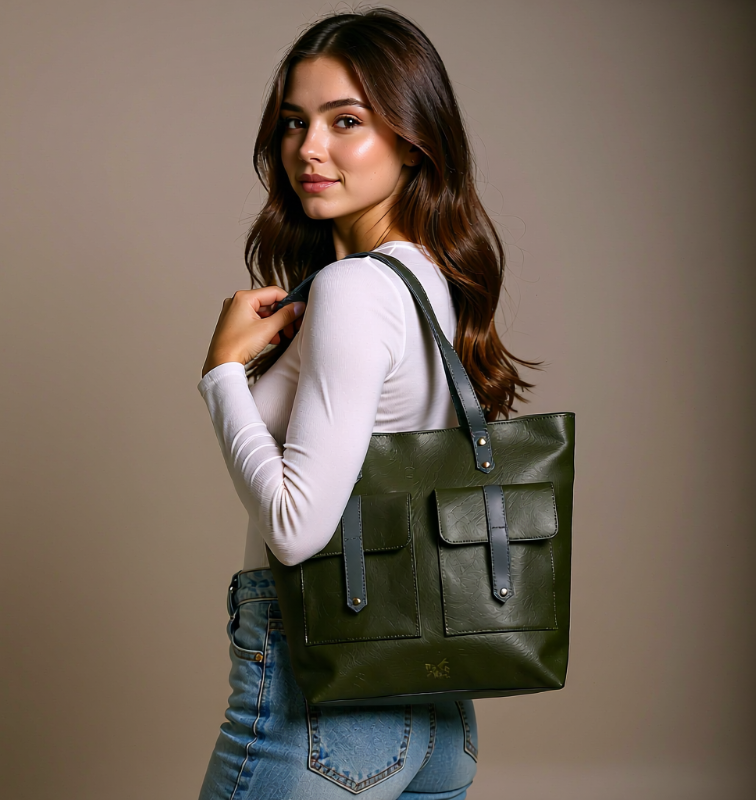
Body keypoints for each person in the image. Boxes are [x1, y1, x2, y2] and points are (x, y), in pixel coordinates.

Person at [196, 8, 537, 799]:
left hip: (325, 706)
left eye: (345, 121)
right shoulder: (428, 280)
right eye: (293, 122)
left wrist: (221, 373)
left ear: (413, 138)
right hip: (436, 710)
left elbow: (295, 527)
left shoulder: (353, 290)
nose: (308, 149)